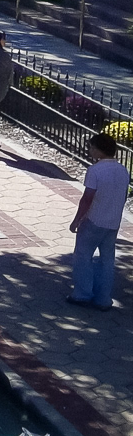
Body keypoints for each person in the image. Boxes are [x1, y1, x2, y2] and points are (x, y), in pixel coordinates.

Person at [68, 132, 128, 311]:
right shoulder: (123, 170)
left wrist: (77, 220)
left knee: (83, 256)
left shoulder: (95, 170)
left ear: (99, 150)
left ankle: (82, 294)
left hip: (94, 220)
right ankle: (103, 299)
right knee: (107, 260)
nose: (90, 150)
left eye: (92, 147)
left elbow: (87, 198)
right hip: (113, 222)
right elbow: (123, 196)